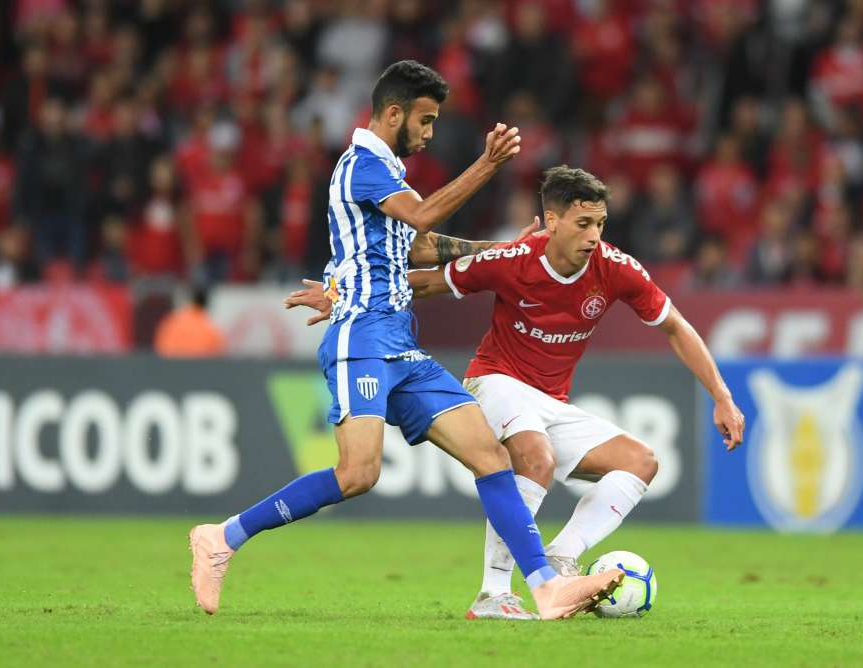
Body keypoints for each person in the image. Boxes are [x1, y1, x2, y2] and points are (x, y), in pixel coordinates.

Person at [188, 61, 623, 621]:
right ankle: (222, 538)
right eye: (425, 119)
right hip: (361, 337)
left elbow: (418, 247)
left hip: (401, 344)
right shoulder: (362, 164)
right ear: (393, 113)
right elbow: (420, 217)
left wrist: (499, 251)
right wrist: (487, 163)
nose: (429, 132)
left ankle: (540, 587)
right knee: (358, 474)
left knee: (490, 455)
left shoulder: (386, 170)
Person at [287, 165, 745, 620]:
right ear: (552, 221)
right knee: (535, 457)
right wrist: (342, 294)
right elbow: (427, 282)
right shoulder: (515, 260)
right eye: (583, 223)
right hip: (495, 381)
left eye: (600, 224)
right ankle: (493, 593)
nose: (594, 236)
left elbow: (676, 327)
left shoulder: (616, 268)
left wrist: (721, 397)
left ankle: (561, 560)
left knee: (641, 462)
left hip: (550, 402)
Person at [153, 287, 226, 357]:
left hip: (171, 367)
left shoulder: (171, 322)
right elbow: (218, 356)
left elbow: (160, 348)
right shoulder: (209, 329)